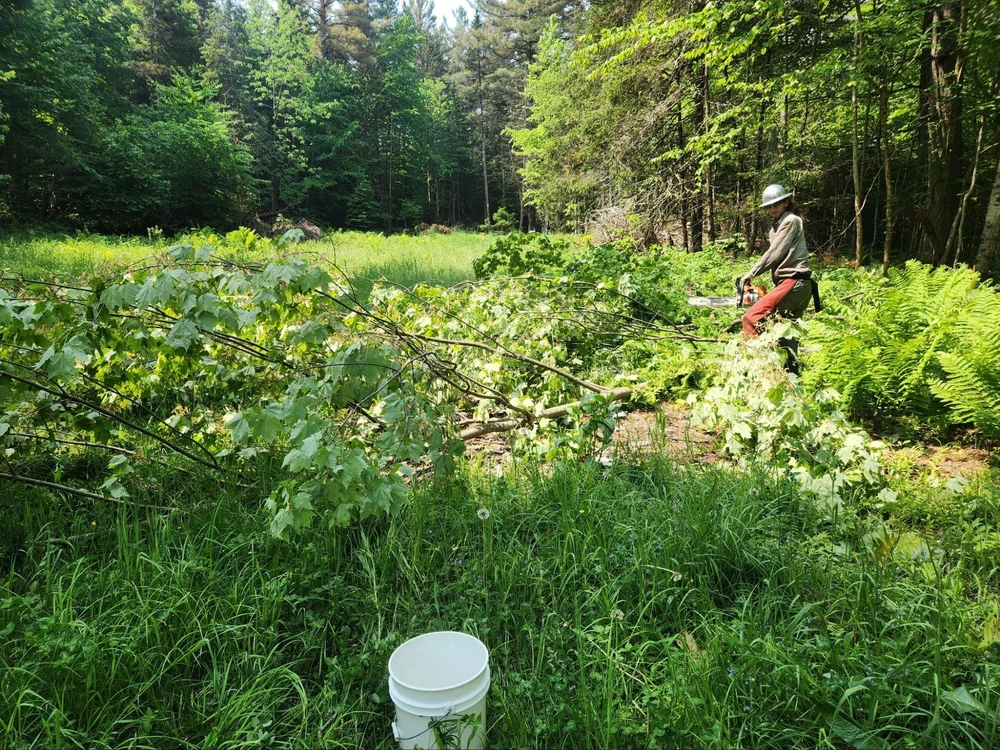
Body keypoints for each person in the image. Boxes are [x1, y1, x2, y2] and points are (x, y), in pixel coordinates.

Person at [740, 185, 820, 369]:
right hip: (796, 285)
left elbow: (775, 253)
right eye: (769, 206)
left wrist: (752, 272)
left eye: (776, 204)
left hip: (794, 281)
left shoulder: (791, 220)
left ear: (786, 202)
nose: (772, 209)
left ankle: (755, 367)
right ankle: (790, 375)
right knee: (787, 336)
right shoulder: (775, 228)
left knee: (751, 317)